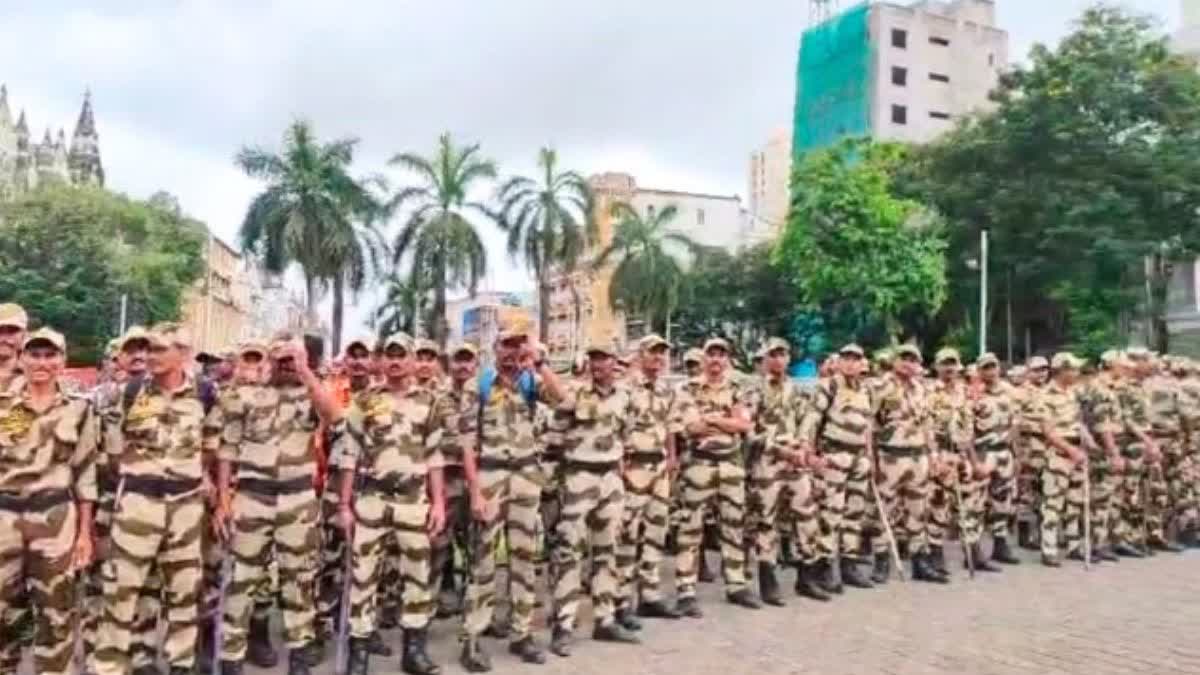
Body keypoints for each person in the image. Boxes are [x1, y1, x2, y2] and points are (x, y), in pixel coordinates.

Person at [210, 335, 340, 675]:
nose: (285, 365)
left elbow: (336, 417)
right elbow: (226, 451)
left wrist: (305, 371)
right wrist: (223, 500)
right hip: (252, 497)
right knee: (242, 581)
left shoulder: (311, 392)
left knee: (298, 580)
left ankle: (299, 655)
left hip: (297, 500)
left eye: (290, 358)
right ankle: (231, 658)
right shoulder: (244, 395)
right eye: (279, 358)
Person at [94, 323, 210, 675]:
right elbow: (112, 456)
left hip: (186, 510)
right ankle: (111, 667)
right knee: (121, 594)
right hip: (137, 507)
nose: (149, 356)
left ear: (183, 354)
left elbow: (213, 448)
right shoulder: (128, 393)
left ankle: (180, 665)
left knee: (184, 595)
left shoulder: (206, 394)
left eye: (159, 350)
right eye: (148, 349)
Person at [334, 332, 446, 675]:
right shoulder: (364, 401)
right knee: (364, 577)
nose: (395, 361)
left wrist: (439, 502)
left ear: (413, 360)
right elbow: (348, 454)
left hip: (413, 500)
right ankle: (359, 654)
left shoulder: (430, 402)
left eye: (402, 355)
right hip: (371, 499)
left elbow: (435, 456)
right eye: (389, 355)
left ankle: (414, 651)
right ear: (381, 361)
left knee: (418, 575)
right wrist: (343, 505)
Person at [458, 322, 564, 671]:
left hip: (525, 475)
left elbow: (564, 400)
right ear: (494, 348)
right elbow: (467, 445)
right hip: (490, 475)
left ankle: (521, 634)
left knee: (524, 558)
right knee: (483, 559)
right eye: (506, 344)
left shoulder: (531, 383)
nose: (511, 351)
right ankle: (472, 638)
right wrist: (475, 491)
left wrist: (539, 363)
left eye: (518, 344)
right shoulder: (479, 385)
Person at [0, 327, 97, 675]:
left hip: (56, 519)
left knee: (57, 613)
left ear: (63, 361)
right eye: (35, 354)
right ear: (21, 359)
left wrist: (85, 534)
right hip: (5, 519)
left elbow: (85, 473)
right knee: (3, 614)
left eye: (50, 355)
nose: (42, 362)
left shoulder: (79, 409)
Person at [549, 340, 641, 656]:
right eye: (594, 360)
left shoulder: (626, 397)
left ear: (615, 363)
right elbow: (554, 435)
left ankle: (605, 619)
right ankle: (563, 624)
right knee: (570, 552)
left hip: (610, 479)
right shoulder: (574, 394)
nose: (598, 365)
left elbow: (627, 436)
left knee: (608, 550)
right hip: (579, 476)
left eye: (604, 359)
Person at [675, 337, 760, 615]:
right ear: (703, 358)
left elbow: (745, 424)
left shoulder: (738, 389)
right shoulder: (687, 388)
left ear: (727, 360)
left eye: (721, 355)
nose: (715, 360)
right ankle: (686, 589)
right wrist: (726, 423)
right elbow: (691, 427)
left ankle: (736, 584)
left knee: (734, 526)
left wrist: (712, 419)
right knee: (691, 529)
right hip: (699, 466)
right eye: (711, 354)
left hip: (731, 466)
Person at [747, 337, 828, 604]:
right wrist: (778, 449)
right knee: (766, 520)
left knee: (807, 517)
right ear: (765, 359)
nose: (778, 359)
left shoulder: (795, 389)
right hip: (768, 462)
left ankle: (807, 578)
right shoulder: (754, 391)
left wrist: (804, 445)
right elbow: (749, 431)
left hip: (795, 461)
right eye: (773, 355)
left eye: (782, 354)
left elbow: (806, 420)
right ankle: (768, 582)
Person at [615, 334, 686, 623]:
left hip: (658, 469)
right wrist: (619, 465)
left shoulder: (667, 390)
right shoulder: (625, 389)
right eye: (653, 353)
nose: (658, 358)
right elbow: (615, 428)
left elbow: (670, 427)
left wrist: (671, 457)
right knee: (628, 535)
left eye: (662, 354)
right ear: (640, 354)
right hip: (633, 467)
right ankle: (620, 600)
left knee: (657, 532)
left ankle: (650, 594)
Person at [798, 344, 876, 593]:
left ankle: (849, 564)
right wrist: (808, 452)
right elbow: (812, 419)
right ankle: (825, 566)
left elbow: (867, 427)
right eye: (847, 359)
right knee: (831, 514)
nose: (851, 363)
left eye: (856, 359)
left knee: (854, 514)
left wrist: (870, 456)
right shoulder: (829, 386)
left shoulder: (866, 390)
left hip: (858, 458)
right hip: (834, 455)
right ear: (840, 362)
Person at [870, 344, 945, 583]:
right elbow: (869, 425)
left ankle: (919, 561)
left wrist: (933, 456)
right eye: (904, 358)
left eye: (913, 359)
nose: (908, 363)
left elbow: (927, 426)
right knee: (885, 511)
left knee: (918, 510)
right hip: (891, 456)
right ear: (894, 361)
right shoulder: (880, 387)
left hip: (918, 456)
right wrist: (871, 458)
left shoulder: (921, 390)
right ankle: (881, 561)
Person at [428, 343, 480, 620]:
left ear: (475, 364)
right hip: (447, 478)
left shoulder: (484, 396)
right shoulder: (438, 397)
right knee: (439, 542)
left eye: (467, 360)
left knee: (475, 541)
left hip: (477, 479)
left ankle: (474, 602)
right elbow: (432, 437)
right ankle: (433, 600)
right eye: (458, 360)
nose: (462, 366)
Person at [925, 347, 975, 579]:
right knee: (939, 506)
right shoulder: (928, 392)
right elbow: (925, 428)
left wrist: (971, 458)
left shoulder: (964, 392)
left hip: (961, 455)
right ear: (936, 367)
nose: (950, 368)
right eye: (945, 364)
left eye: (953, 364)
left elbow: (969, 426)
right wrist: (933, 457)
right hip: (941, 453)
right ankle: (935, 553)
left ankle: (972, 551)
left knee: (969, 503)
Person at [1037, 352, 1089, 567]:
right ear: (1062, 371)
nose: (1077, 373)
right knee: (1053, 502)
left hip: (1077, 451)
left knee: (1076, 501)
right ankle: (1048, 549)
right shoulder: (1046, 395)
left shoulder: (1073, 393)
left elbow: (1078, 422)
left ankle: (1074, 545)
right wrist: (1070, 449)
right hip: (1059, 453)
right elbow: (1048, 431)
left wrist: (1088, 441)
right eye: (1073, 369)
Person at [972, 352, 1022, 566]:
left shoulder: (1010, 392)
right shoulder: (972, 394)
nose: (990, 371)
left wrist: (1016, 454)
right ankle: (973, 551)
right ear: (979, 371)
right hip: (983, 451)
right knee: (977, 503)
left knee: (1003, 501)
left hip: (1004, 452)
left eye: (993, 367)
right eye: (985, 368)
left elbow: (1016, 424)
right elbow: (967, 428)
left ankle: (1000, 545)